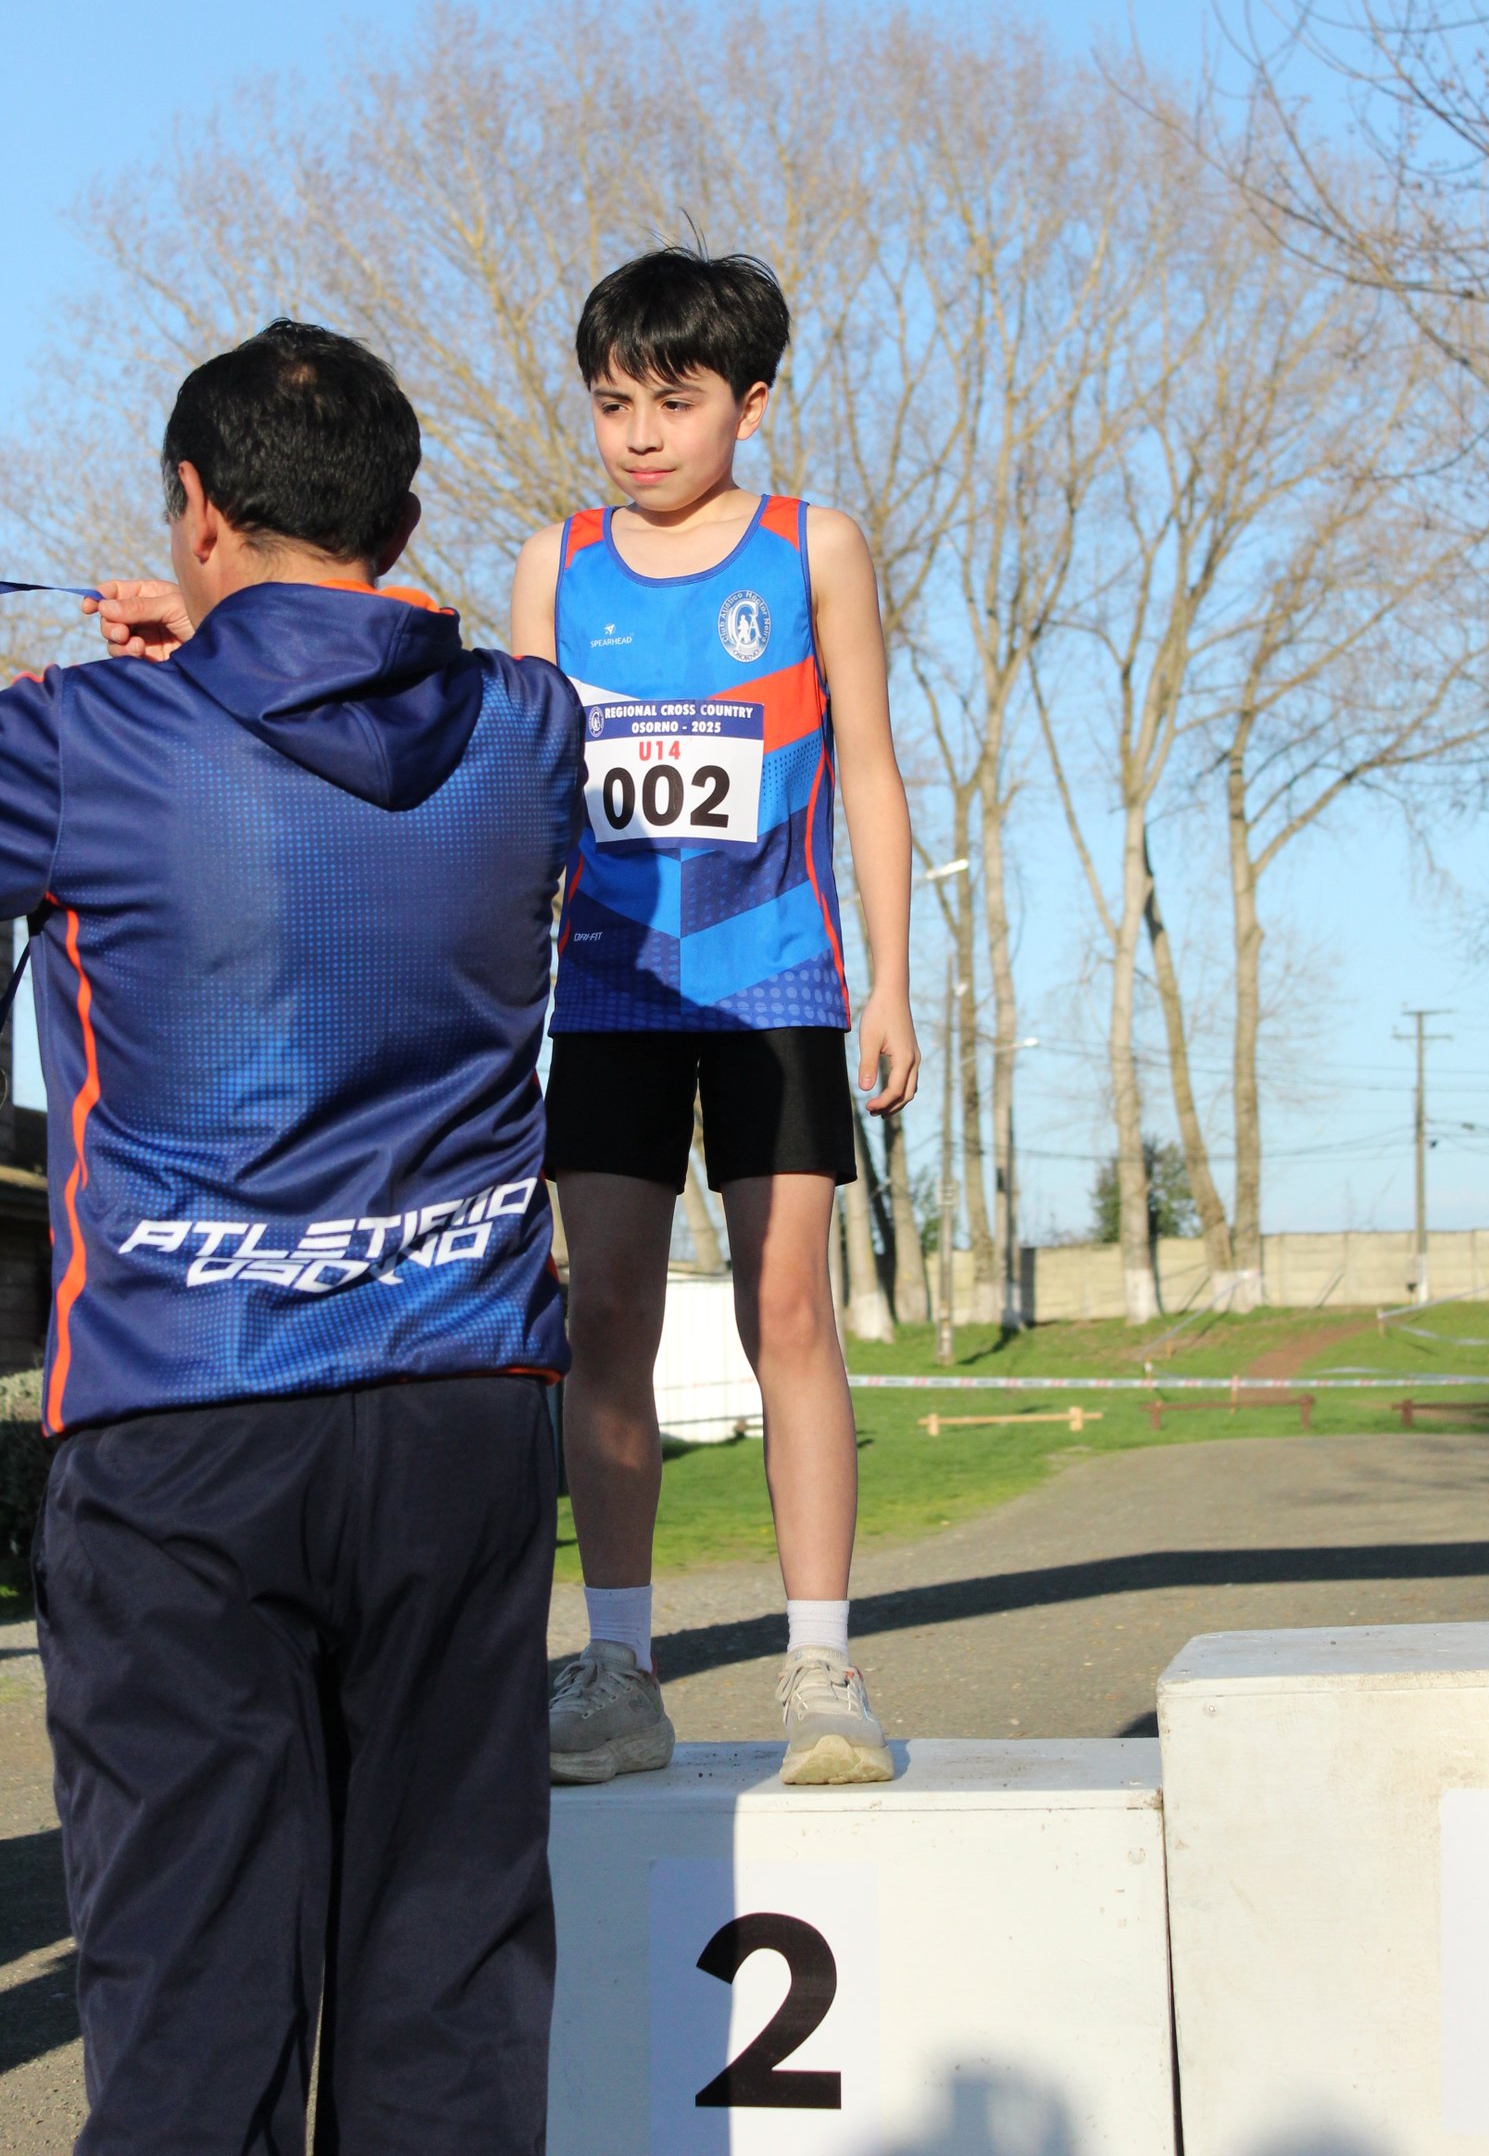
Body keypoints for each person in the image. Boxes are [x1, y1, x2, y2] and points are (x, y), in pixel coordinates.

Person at [44, 320, 582, 2154]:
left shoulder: (77, 741)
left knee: (195, 2000)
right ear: (405, 521)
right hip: (459, 1410)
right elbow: (397, 665)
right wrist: (252, 639)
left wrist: (198, 660)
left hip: (179, 1421)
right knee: (449, 1985)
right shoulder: (532, 729)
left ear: (194, 510)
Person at [511, 246, 919, 1788]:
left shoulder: (816, 547)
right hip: (611, 988)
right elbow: (524, 796)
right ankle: (619, 1669)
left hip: (777, 983)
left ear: (750, 405)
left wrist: (890, 981)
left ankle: (822, 1667)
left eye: (673, 404)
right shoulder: (557, 565)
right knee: (606, 1312)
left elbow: (867, 767)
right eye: (613, 402)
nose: (638, 435)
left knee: (786, 1310)